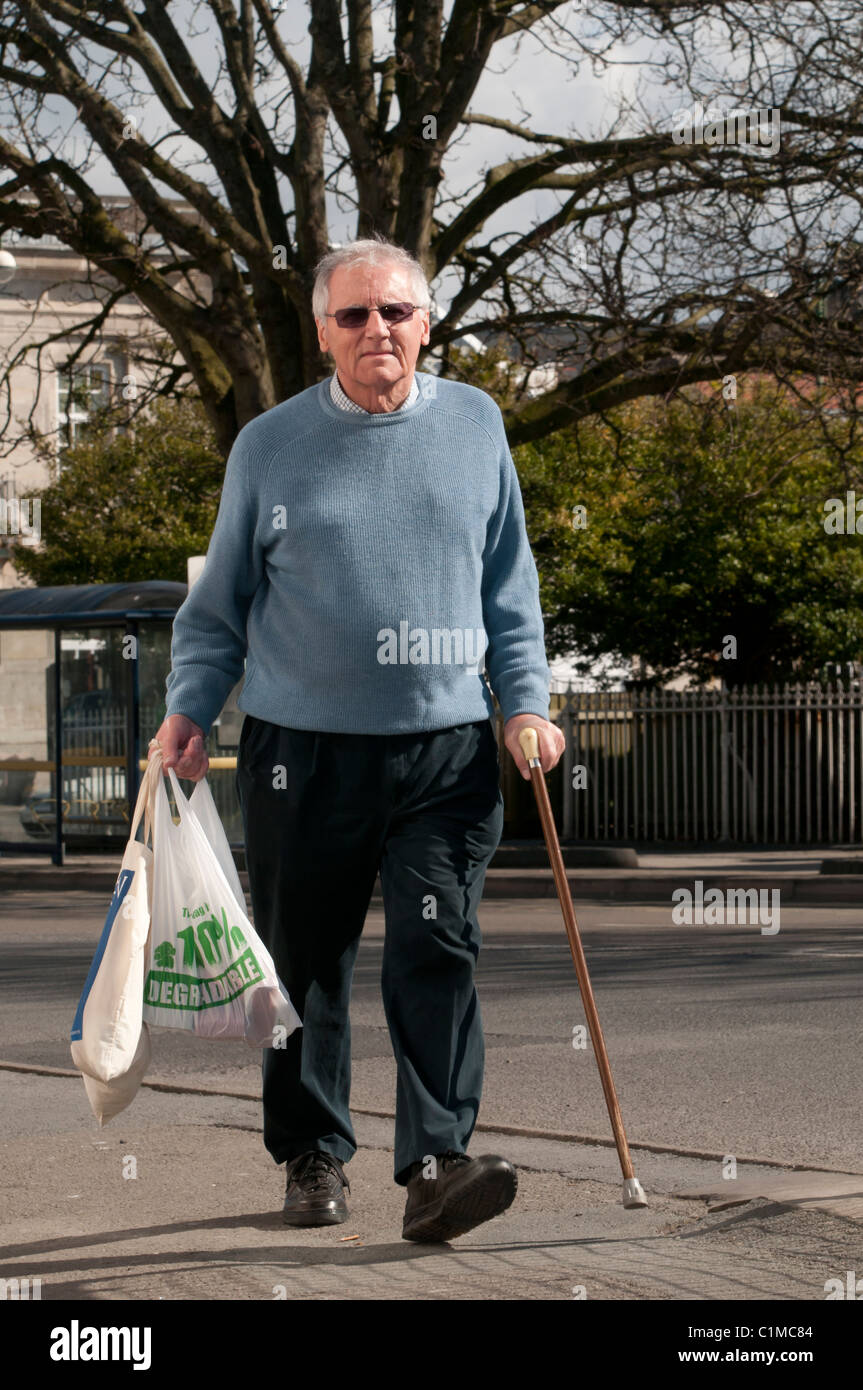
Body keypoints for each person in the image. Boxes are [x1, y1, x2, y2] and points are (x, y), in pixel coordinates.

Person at [150, 235, 564, 1243]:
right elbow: (220, 607)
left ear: (426, 324)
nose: (376, 329)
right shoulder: (270, 444)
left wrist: (524, 701)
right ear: (324, 331)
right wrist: (190, 708)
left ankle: (435, 1166)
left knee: (435, 947)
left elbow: (509, 588)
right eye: (353, 315)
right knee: (304, 965)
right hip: (305, 752)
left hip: (447, 749)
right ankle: (310, 1156)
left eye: (395, 312)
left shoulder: (474, 425)